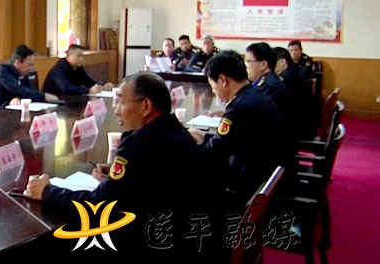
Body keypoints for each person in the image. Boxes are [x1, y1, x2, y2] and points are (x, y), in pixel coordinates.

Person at [25, 73, 220, 259]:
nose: (117, 110)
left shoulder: (140, 142)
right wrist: (119, 176)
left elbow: (99, 205)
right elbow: (155, 176)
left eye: (121, 102)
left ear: (146, 106)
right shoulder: (174, 129)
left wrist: (47, 191)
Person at [188, 51, 292, 212]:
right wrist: (205, 137)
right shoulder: (252, 94)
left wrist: (185, 145)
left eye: (212, 85)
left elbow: (213, 153)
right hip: (263, 174)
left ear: (223, 80)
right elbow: (234, 141)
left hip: (248, 187)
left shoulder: (239, 108)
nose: (213, 91)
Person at [0, 45, 58, 109]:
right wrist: (44, 96)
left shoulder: (23, 74)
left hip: (11, 112)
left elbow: (29, 91)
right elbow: (18, 89)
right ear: (18, 62)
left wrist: (17, 98)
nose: (32, 68)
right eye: (29, 65)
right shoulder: (2, 70)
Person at [273, 46, 320, 140]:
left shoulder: (288, 78)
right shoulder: (291, 71)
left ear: (282, 62)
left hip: (301, 129)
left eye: (272, 62)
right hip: (303, 124)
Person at [42, 44, 114, 95]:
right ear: (68, 57)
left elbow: (88, 81)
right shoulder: (59, 69)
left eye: (82, 56)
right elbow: (66, 88)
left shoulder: (78, 68)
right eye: (78, 56)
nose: (81, 59)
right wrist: (89, 90)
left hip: (69, 99)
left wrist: (103, 86)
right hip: (55, 100)